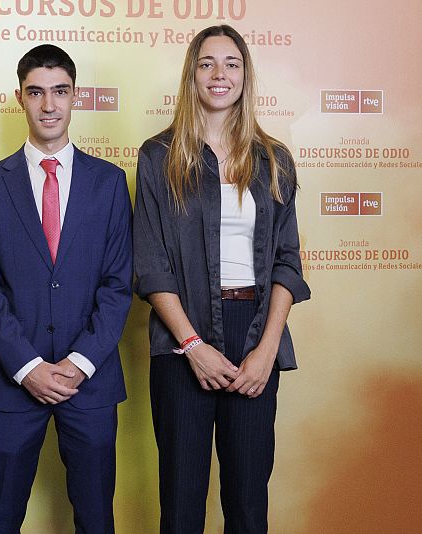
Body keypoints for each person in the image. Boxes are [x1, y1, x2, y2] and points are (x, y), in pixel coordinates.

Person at [133, 25, 310, 533]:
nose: (219, 74)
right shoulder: (158, 156)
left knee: (249, 504)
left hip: (255, 329)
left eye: (231, 63)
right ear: (192, 74)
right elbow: (151, 265)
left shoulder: (273, 159)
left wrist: (265, 349)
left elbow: (287, 262)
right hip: (181, 338)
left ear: (245, 75)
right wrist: (192, 344)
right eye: (207, 63)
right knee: (182, 505)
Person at [0, 44, 133, 533]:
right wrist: (29, 368)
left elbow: (118, 285)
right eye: (36, 92)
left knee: (96, 518)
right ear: (19, 97)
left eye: (59, 92)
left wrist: (78, 364)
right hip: (13, 381)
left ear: (74, 96)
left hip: (92, 380)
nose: (48, 105)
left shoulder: (109, 183)